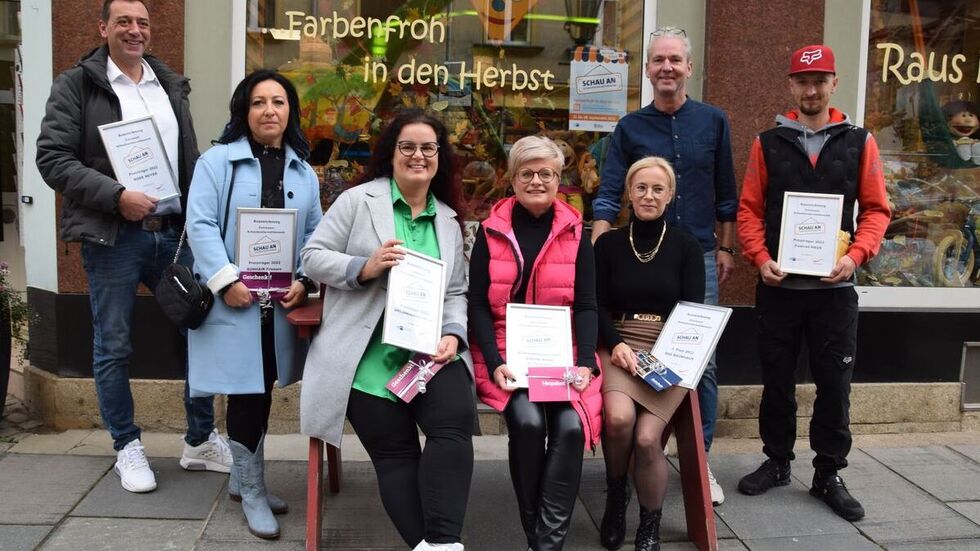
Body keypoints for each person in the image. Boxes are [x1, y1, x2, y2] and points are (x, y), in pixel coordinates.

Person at [35, 0, 230, 494]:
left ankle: (200, 439)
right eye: (123, 21)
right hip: (114, 236)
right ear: (103, 28)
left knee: (200, 332)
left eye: (142, 22)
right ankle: (126, 445)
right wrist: (116, 196)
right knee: (114, 344)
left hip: (175, 232)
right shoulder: (76, 85)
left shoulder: (169, 84)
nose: (134, 30)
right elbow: (52, 159)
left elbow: (189, 159)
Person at [300, 109, 474, 551]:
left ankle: (441, 543)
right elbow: (312, 257)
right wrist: (364, 266)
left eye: (428, 148)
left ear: (440, 156)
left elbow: (456, 291)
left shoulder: (450, 221)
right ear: (391, 153)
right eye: (408, 147)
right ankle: (431, 545)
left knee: (452, 428)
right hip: (366, 354)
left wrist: (453, 334)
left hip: (430, 354)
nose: (418, 155)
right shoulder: (360, 201)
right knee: (396, 453)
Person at [735, 45, 890, 521]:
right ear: (790, 86)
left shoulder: (859, 141)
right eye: (803, 81)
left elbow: (877, 210)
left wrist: (857, 256)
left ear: (833, 84)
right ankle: (778, 461)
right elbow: (749, 210)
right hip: (779, 288)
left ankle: (828, 473)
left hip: (835, 292)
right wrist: (759, 258)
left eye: (820, 80)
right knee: (776, 382)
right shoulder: (768, 142)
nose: (811, 89)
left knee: (834, 386)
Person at [589, 26, 737, 505]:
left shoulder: (713, 121)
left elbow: (726, 192)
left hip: (696, 256)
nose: (667, 67)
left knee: (703, 366)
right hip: (636, 253)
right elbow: (611, 189)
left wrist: (727, 247)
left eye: (675, 59)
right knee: (625, 345)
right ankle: (639, 450)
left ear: (689, 67)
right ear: (648, 70)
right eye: (658, 60)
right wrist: (597, 250)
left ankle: (701, 463)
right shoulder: (630, 127)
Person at [184, 69, 322, 539]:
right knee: (246, 391)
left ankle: (245, 483)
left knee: (261, 388)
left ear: (291, 111)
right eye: (259, 102)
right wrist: (226, 282)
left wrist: (305, 280)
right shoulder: (217, 161)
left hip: (277, 306)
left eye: (279, 102)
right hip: (234, 303)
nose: (269, 111)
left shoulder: (303, 171)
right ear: (244, 110)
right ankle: (253, 490)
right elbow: (200, 224)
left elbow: (314, 236)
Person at [469, 135, 602, 551]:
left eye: (546, 173)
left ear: (559, 178)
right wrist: (493, 362)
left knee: (569, 425)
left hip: (560, 350)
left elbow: (585, 305)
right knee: (526, 423)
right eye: (526, 173)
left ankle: (545, 543)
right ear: (511, 179)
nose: (537, 180)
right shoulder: (491, 230)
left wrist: (584, 361)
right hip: (506, 349)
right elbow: (475, 304)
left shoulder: (575, 231)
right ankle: (539, 537)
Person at [595, 157, 704, 551]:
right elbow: (595, 305)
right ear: (628, 192)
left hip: (670, 348)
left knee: (645, 439)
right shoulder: (607, 244)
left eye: (658, 189)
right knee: (619, 419)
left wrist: (671, 355)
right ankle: (615, 496)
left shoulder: (686, 247)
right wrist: (617, 345)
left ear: (670, 196)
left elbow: (693, 314)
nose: (648, 195)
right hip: (618, 342)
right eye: (640, 187)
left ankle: (649, 525)